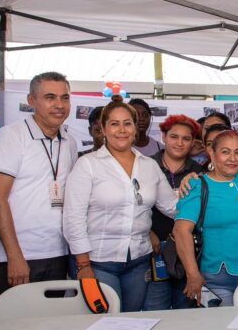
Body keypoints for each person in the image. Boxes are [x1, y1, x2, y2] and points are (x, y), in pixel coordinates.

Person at [63, 101, 177, 311]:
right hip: (97, 262)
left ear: (136, 128)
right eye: (115, 124)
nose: (122, 130)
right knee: (102, 327)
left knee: (130, 321)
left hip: (139, 260)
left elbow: (172, 206)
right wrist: (83, 265)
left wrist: (201, 188)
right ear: (104, 128)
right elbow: (73, 218)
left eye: (127, 123)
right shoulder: (87, 164)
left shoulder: (149, 166)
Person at [0, 72, 78, 300]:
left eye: (64, 98)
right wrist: (14, 256)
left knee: (52, 329)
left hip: (58, 252)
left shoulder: (69, 142)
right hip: (18, 256)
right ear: (31, 101)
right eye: (50, 97)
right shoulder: (11, 136)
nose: (59, 105)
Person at [175, 130, 238, 306]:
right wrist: (192, 274)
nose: (232, 158)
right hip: (217, 278)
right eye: (225, 152)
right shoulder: (197, 185)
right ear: (212, 154)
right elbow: (181, 230)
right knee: (222, 329)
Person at [144, 115, 203, 311]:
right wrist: (147, 232)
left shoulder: (199, 172)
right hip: (154, 252)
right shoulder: (146, 166)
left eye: (186, 139)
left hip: (187, 255)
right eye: (174, 137)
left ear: (193, 142)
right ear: (163, 137)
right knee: (154, 311)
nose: (179, 143)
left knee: (185, 313)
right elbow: (134, 205)